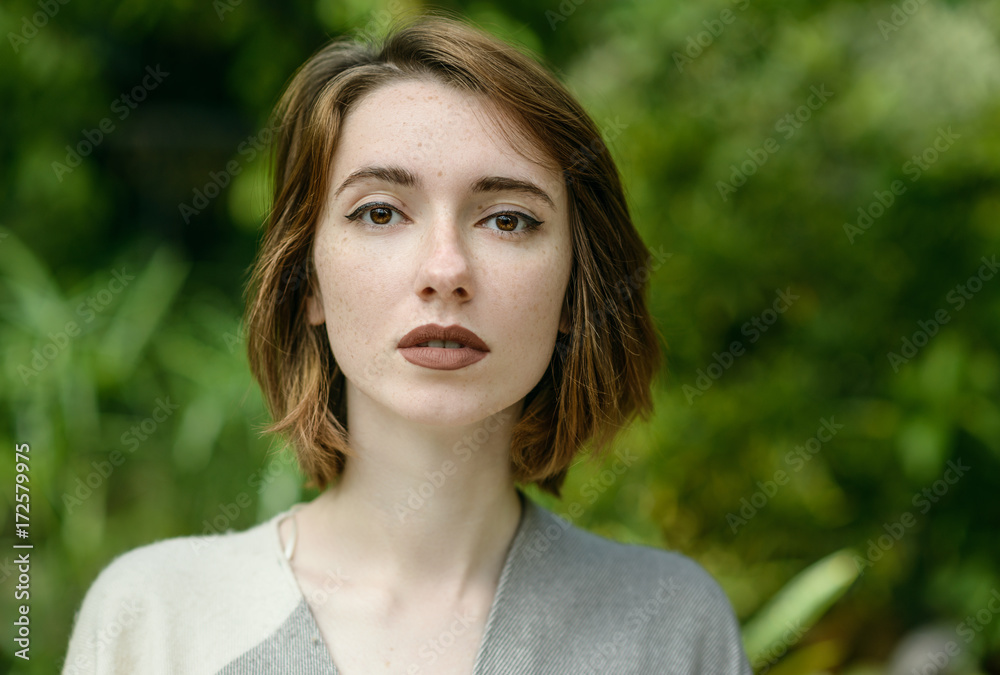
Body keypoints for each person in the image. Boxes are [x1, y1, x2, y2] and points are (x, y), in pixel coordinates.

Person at [62, 11, 753, 674]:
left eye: (508, 220)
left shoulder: (672, 623)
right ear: (308, 282)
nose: (446, 271)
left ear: (577, 286)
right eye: (381, 212)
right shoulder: (156, 617)